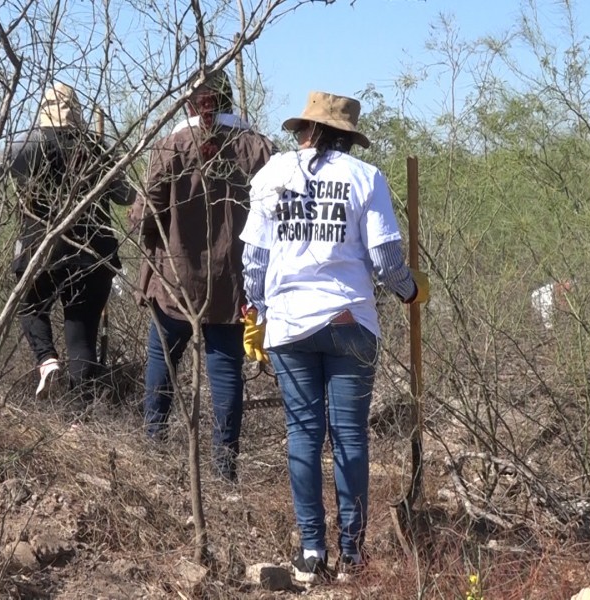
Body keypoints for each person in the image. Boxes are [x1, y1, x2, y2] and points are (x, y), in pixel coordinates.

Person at [239, 91, 430, 582]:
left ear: (303, 130)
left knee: (302, 436)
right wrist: (411, 293)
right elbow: (387, 262)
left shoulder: (270, 176)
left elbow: (254, 262)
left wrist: (255, 313)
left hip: (287, 324)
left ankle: (310, 552)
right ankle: (352, 554)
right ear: (347, 136)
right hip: (348, 321)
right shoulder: (365, 178)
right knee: (349, 437)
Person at [130, 69, 274, 482]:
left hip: (174, 281)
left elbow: (145, 217)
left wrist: (148, 222)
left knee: (163, 360)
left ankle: (152, 452)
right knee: (226, 371)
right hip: (233, 284)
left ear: (191, 104)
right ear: (228, 101)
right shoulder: (259, 150)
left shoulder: (169, 148)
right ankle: (224, 473)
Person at [0, 83, 134, 398]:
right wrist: (108, 162)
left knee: (30, 306)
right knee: (81, 332)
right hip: (94, 254)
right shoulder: (98, 148)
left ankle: (47, 360)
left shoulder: (29, 144)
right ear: (76, 111)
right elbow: (126, 196)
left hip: (43, 251)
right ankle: (79, 412)